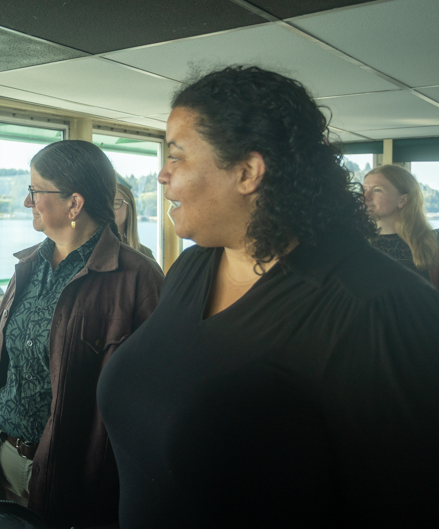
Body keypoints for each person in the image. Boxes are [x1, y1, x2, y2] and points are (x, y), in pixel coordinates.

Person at [97, 66, 439, 527]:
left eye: (176, 156)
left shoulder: (377, 307)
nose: (162, 175)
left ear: (247, 172)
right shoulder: (191, 268)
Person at [0, 140, 164, 528]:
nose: (28, 203)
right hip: (4, 455)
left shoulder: (138, 278)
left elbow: (157, 396)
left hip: (78, 477)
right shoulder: (26, 266)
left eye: (35, 191)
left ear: (74, 204)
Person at [363, 164, 439, 287]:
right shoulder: (354, 241)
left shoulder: (432, 242)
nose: (365, 196)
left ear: (402, 200)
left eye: (377, 190)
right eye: (364, 189)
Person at [114, 176, 156, 260]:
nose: (109, 209)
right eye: (105, 204)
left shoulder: (145, 255)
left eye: (115, 204)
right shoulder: (89, 252)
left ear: (129, 210)